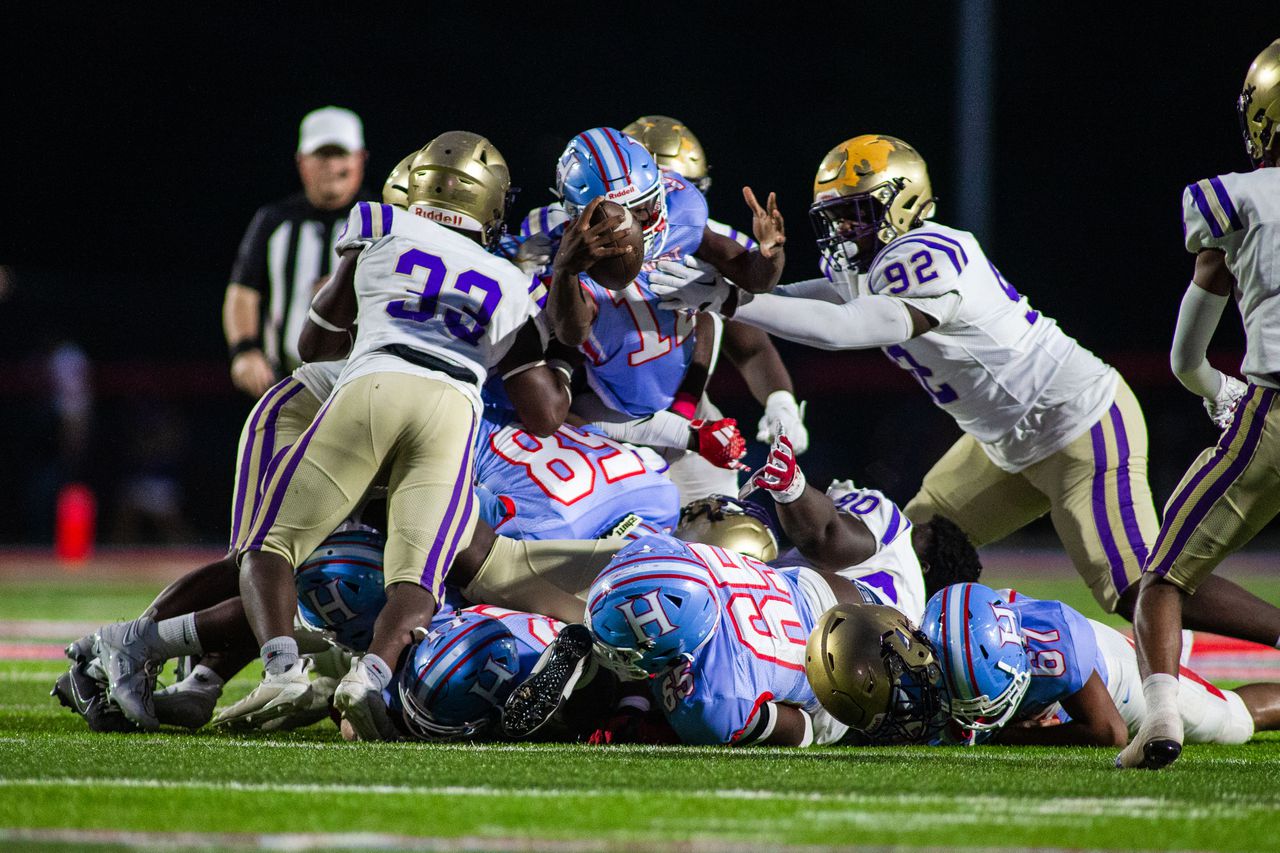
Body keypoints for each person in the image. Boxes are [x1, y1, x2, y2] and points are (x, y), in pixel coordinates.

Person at [653, 134, 1159, 619]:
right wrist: (720, 291)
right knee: (914, 550)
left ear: (905, 202)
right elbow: (787, 302)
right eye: (835, 217)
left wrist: (727, 300)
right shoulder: (873, 266)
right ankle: (946, 664)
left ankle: (1179, 688)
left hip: (1078, 421)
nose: (844, 230)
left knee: (1137, 592)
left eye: (857, 214)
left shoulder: (924, 255)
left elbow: (842, 329)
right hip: (1003, 438)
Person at [215, 131, 546, 740]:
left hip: (377, 383)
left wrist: (351, 264)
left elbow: (312, 347)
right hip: (454, 410)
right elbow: (537, 396)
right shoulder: (512, 277)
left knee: (271, 541)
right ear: (491, 202)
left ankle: (283, 669)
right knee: (416, 576)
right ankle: (372, 674)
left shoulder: (379, 223)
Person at [1120, 39, 1280, 770]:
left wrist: (1219, 389)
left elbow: (1188, 356)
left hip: (1271, 416)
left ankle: (1161, 720)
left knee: (1162, 575)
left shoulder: (1236, 202)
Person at [923, 583, 1280, 751]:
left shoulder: (1058, 653)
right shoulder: (962, 628)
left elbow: (1110, 732)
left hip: (1119, 682)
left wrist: (1011, 734)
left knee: (1232, 719)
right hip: (1080, 653)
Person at [746, 433, 982, 622]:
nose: (911, 526)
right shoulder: (913, 625)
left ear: (924, 566)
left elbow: (826, 538)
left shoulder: (897, 534)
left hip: (759, 608)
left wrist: (793, 488)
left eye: (919, 532)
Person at [223, 106, 370, 398]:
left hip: (361, 385)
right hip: (286, 381)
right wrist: (245, 350)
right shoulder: (274, 220)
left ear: (360, 159)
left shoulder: (381, 221)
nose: (331, 165)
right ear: (302, 162)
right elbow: (243, 292)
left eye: (340, 154)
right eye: (322, 155)